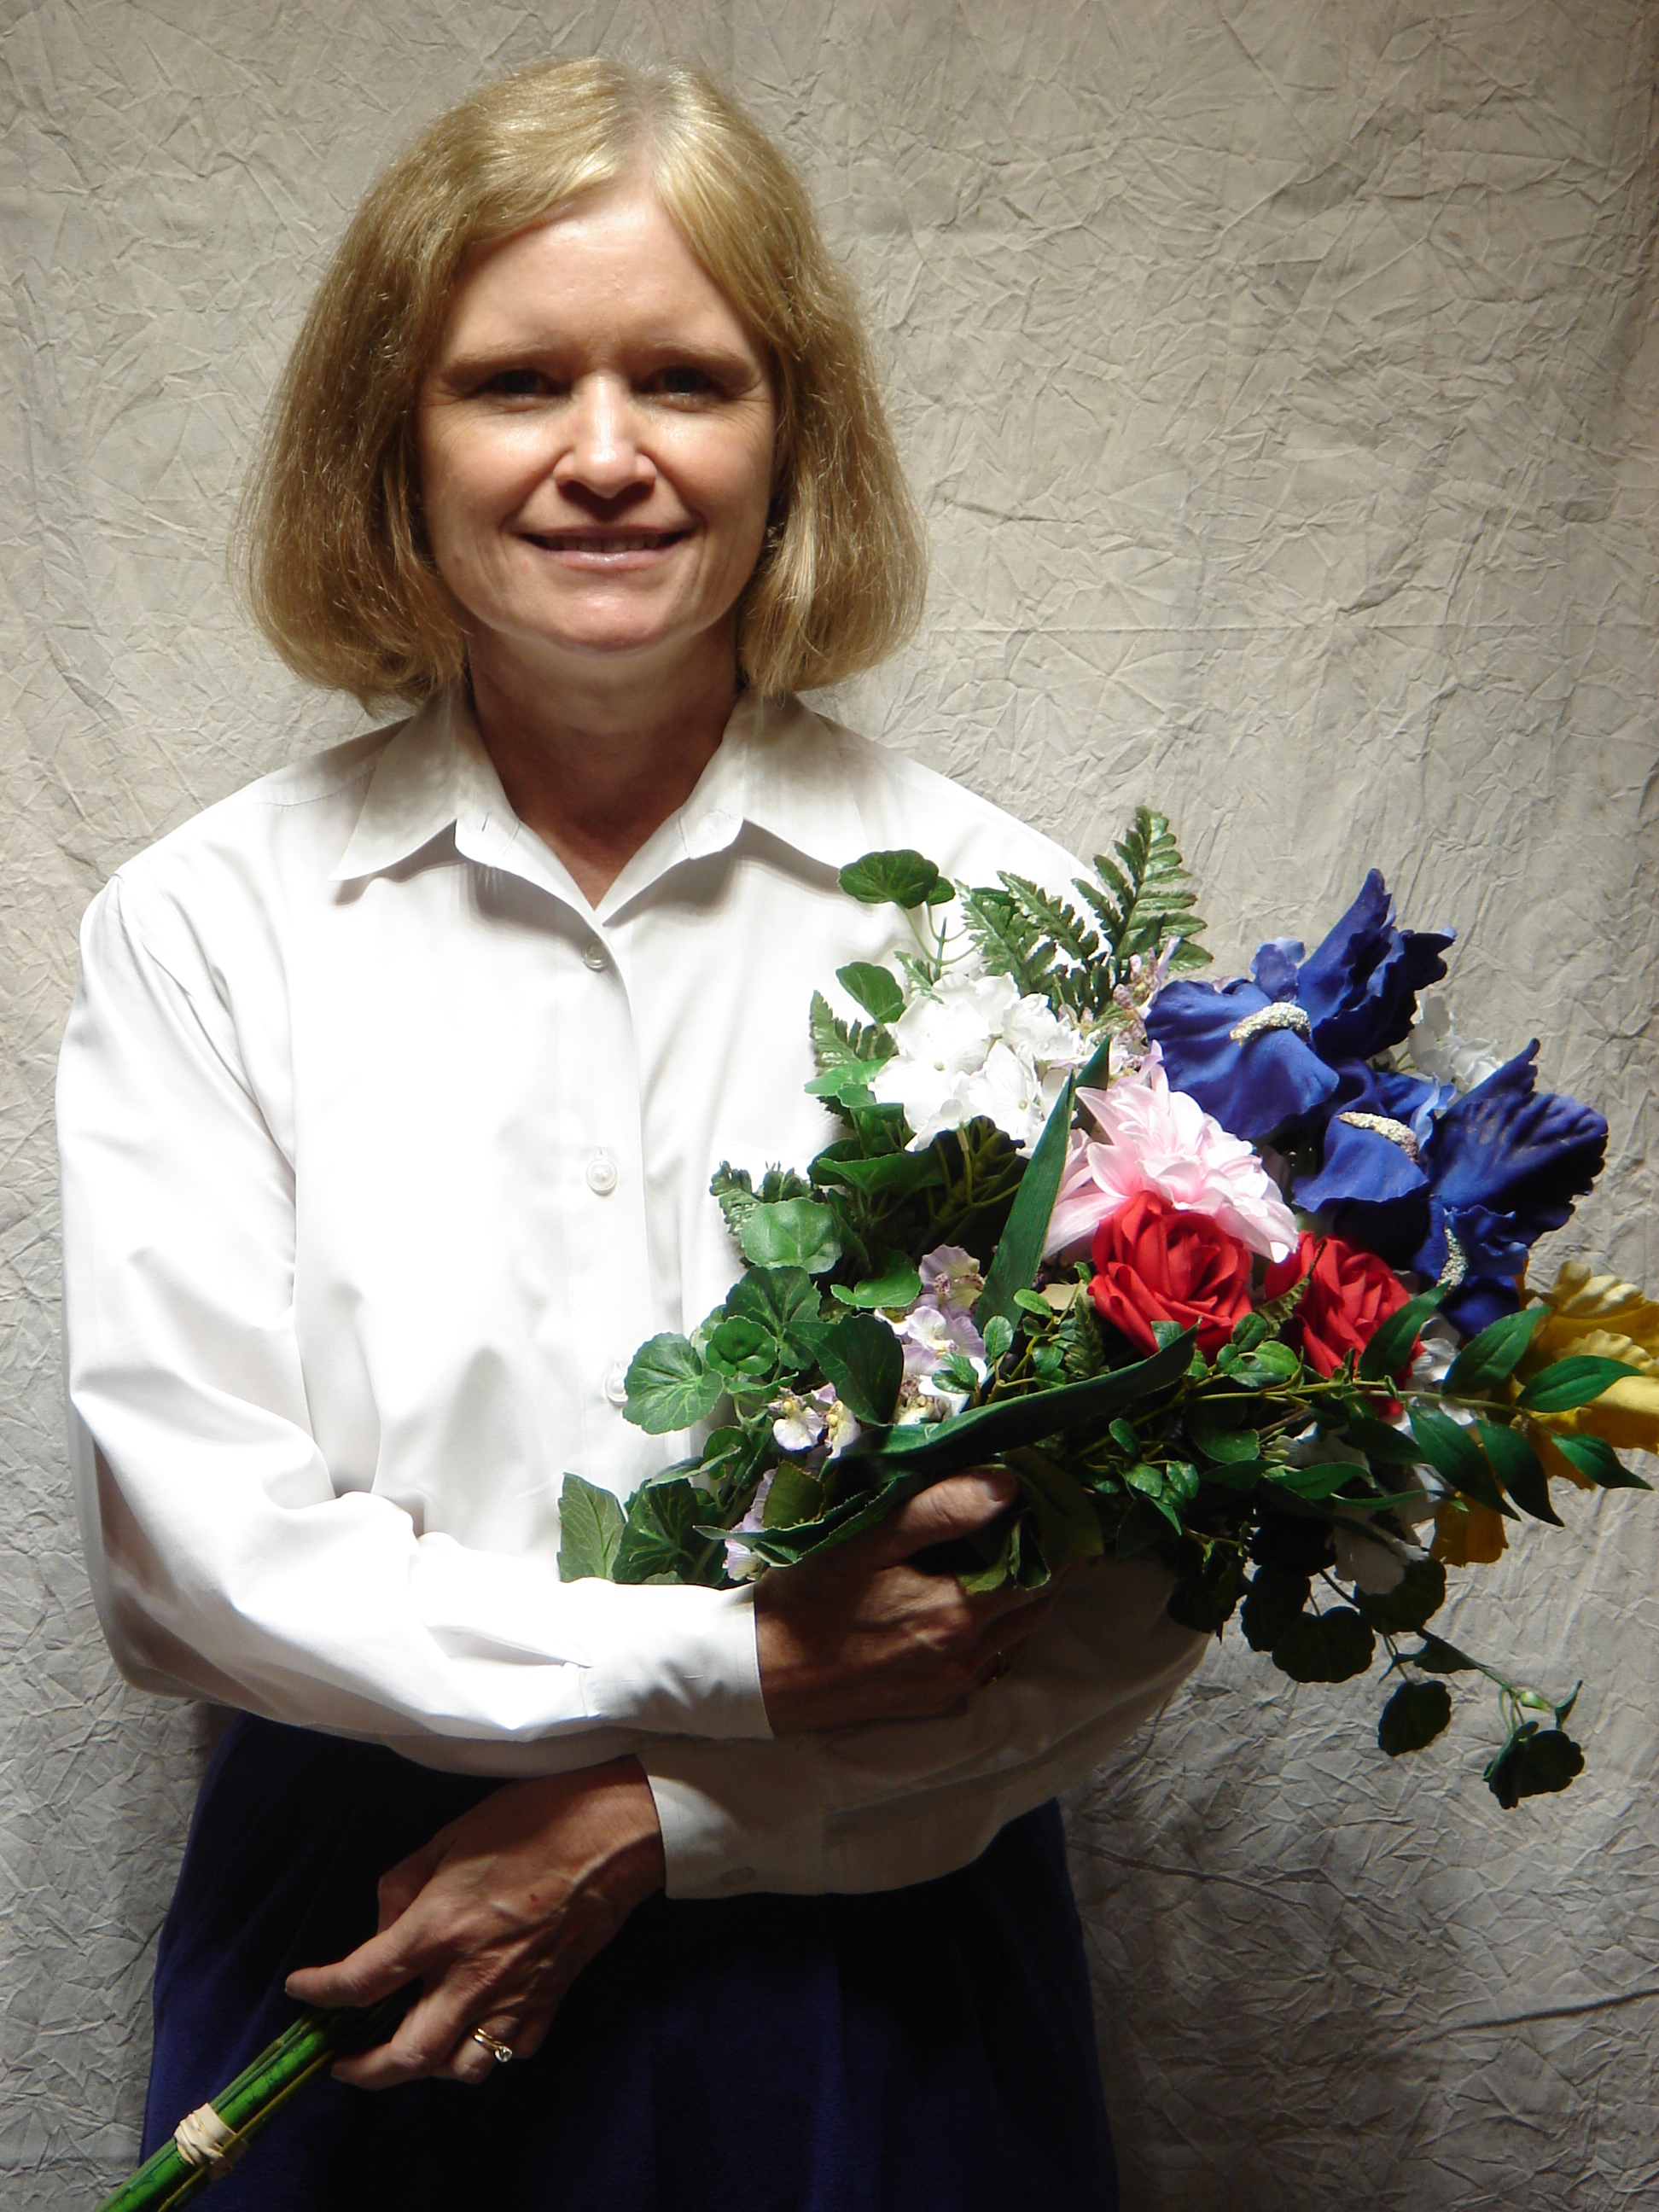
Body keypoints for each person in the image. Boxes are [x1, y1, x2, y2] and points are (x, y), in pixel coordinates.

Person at [56, 55, 1204, 2211]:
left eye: (686, 378)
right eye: (515, 383)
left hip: (883, 1950)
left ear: (795, 436)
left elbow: (1125, 1584)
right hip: (369, 1933)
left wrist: (665, 1820)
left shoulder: (1013, 922)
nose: (605, 456)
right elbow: (193, 1560)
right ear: (393, 439)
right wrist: (744, 1667)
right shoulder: (210, 927)